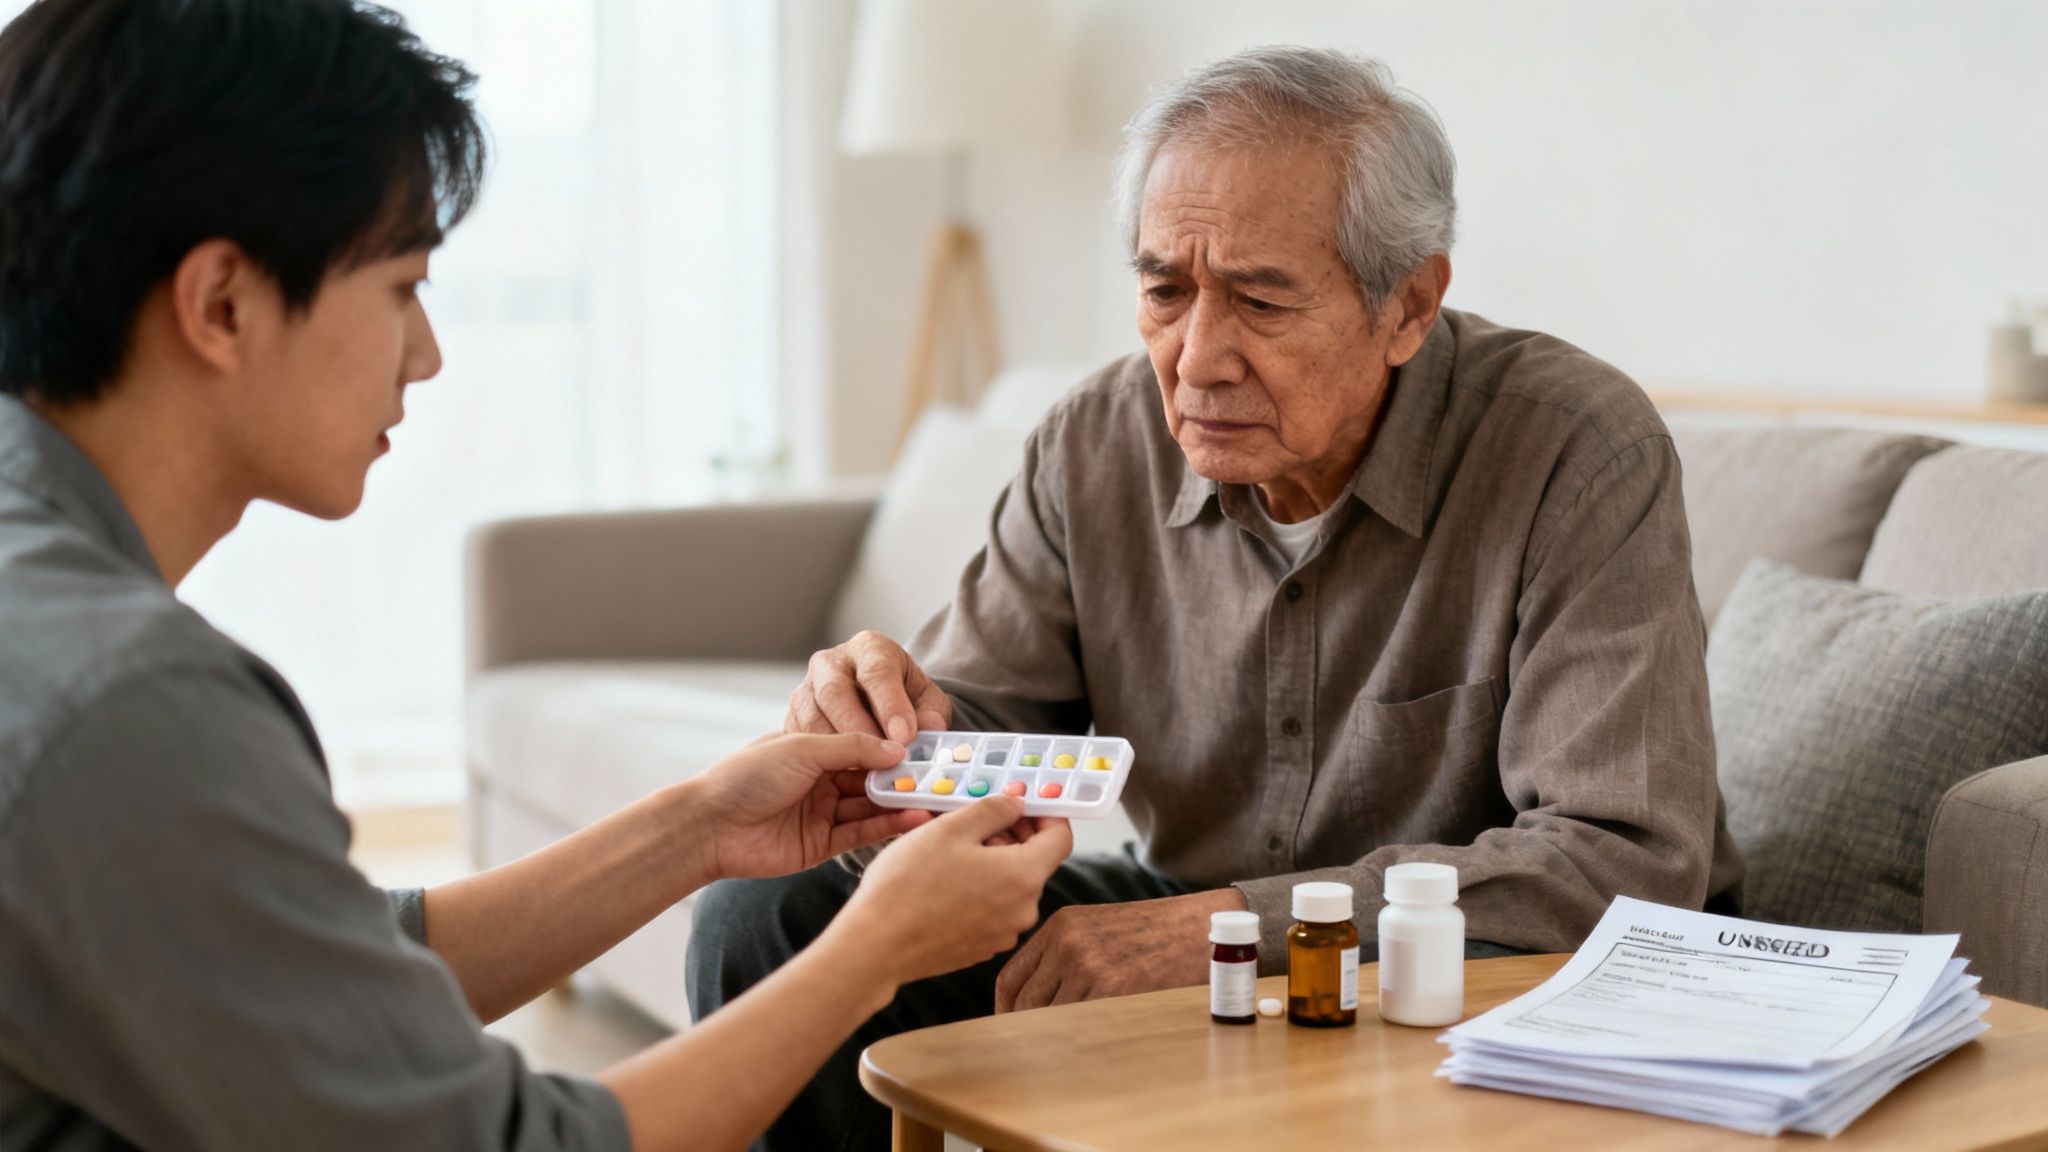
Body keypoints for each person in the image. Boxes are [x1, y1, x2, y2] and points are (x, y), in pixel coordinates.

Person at [0, 2, 1071, 1149]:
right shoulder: (131, 702)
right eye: (402, 287)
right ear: (221, 304)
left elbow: (318, 974)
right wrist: (876, 952)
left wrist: (698, 825)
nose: (427, 355)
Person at [689, 45, 1746, 1150]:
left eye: (1258, 299)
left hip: (1469, 972)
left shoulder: (1572, 448)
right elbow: (992, 720)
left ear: (1408, 304)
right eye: (1163, 291)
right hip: (1191, 918)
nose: (1196, 360)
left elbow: (1618, 861)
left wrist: (1235, 928)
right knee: (773, 916)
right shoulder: (1093, 442)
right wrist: (891, 735)